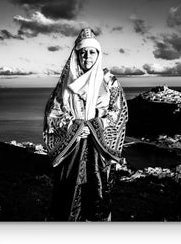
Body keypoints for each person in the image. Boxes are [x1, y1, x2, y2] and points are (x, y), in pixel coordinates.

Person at [43, 28, 128, 221]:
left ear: (98, 54)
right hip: (72, 148)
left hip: (98, 148)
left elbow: (118, 113)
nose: (87, 56)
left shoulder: (109, 81)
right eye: (83, 52)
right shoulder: (66, 83)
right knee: (68, 197)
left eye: (92, 52)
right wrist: (74, 127)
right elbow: (53, 113)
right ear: (77, 54)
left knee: (97, 193)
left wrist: (94, 126)